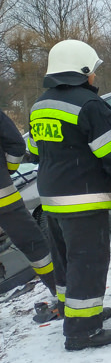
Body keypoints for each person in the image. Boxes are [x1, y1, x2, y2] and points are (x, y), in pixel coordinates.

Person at [28, 39, 111, 350]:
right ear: (82, 70)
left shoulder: (39, 106)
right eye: (93, 71)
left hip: (51, 199)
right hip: (83, 199)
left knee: (67, 261)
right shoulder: (89, 105)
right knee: (88, 261)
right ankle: (81, 331)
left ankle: (76, 309)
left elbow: (35, 151)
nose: (94, 77)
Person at [1, 109, 57, 319]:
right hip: (4, 198)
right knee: (35, 246)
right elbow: (16, 145)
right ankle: (59, 289)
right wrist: (6, 171)